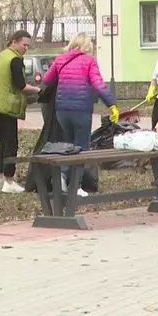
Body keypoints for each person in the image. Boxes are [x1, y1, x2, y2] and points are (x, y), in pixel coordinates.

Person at [41, 33, 117, 196]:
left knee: (68, 145)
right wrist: (112, 104)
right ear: (87, 47)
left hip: (62, 110)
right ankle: (77, 186)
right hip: (81, 110)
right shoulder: (89, 61)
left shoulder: (60, 59)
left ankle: (61, 177)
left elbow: (47, 79)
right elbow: (98, 84)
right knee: (82, 146)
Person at [0, 30, 41, 193]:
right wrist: (39, 90)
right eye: (24, 44)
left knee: (4, 141)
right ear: (14, 42)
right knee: (11, 143)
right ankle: (9, 180)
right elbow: (21, 85)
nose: (26, 48)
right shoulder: (15, 60)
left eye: (28, 45)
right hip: (4, 107)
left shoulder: (2, 55)